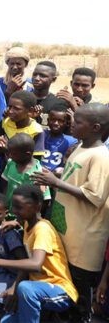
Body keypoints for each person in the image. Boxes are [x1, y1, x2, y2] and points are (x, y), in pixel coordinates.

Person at [32, 103, 109, 322]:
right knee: (64, 293)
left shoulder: (101, 157)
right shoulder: (80, 148)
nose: (72, 124)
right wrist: (55, 177)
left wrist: (56, 182)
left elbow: (95, 196)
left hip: (84, 245)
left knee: (79, 299)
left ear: (95, 127)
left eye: (78, 122)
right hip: (69, 235)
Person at [0, 185, 78, 322]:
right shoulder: (27, 224)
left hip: (59, 290)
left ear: (38, 207)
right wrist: (15, 222)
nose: (15, 211)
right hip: (34, 287)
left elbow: (35, 264)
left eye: (19, 207)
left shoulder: (42, 230)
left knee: (25, 288)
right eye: (14, 207)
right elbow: (26, 264)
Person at [1, 133, 48, 210]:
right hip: (8, 212)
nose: (10, 155)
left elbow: (43, 200)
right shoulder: (11, 163)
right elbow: (6, 185)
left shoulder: (39, 173)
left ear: (27, 154)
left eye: (13, 154)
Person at [30, 61, 69, 127]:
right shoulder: (23, 99)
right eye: (34, 74)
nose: (36, 78)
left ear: (53, 79)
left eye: (43, 76)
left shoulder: (59, 103)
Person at [41, 108, 77, 175]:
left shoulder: (71, 141)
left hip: (55, 178)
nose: (56, 123)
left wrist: (73, 124)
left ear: (67, 123)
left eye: (60, 121)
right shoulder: (41, 134)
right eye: (53, 120)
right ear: (48, 120)